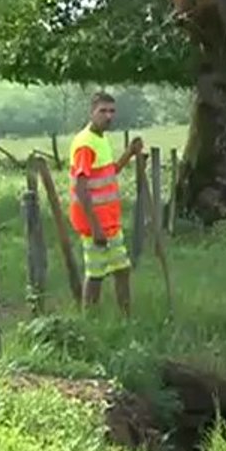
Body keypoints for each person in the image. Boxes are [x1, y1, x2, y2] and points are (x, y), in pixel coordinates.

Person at [68, 91, 143, 315]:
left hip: (110, 221)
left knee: (122, 269)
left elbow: (109, 173)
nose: (108, 116)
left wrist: (129, 153)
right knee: (96, 274)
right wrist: (95, 227)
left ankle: (126, 318)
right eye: (103, 111)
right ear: (91, 113)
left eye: (112, 111)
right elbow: (81, 187)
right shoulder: (85, 144)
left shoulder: (101, 139)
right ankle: (89, 320)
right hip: (95, 225)